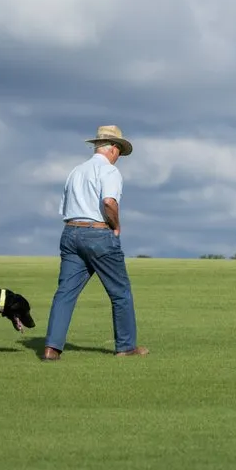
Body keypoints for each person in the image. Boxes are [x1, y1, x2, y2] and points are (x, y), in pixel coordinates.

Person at [42, 125, 148, 360]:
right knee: (120, 292)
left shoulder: (75, 171)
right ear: (112, 148)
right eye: (119, 150)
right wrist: (117, 225)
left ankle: (51, 348)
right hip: (98, 234)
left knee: (65, 293)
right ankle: (126, 346)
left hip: (70, 232)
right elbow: (109, 202)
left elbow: (64, 209)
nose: (119, 156)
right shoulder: (109, 171)